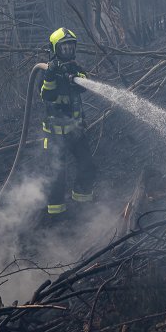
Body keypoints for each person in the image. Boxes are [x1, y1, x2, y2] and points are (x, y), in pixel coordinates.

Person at [39, 27, 97, 216]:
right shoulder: (46, 72)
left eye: (70, 47)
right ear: (55, 49)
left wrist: (76, 77)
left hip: (76, 132)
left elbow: (85, 84)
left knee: (88, 166)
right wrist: (51, 75)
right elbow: (47, 95)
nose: (68, 52)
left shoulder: (74, 68)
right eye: (64, 48)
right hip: (55, 135)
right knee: (57, 176)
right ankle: (56, 215)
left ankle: (82, 206)